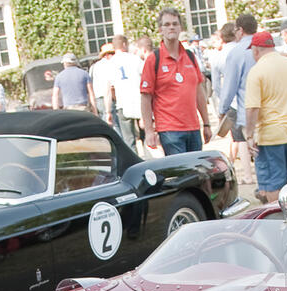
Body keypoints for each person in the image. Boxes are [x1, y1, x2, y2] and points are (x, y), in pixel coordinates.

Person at [244, 31, 287, 201]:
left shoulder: (256, 71)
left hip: (270, 135)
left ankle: (278, 219)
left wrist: (249, 135)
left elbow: (252, 108)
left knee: (273, 182)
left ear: (255, 50)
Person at [142, 8, 212, 155]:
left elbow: (199, 92)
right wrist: (149, 131)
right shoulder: (154, 59)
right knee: (181, 173)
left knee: (195, 173)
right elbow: (145, 97)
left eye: (175, 23)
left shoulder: (190, 56)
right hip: (169, 130)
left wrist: (206, 123)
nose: (171, 27)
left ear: (180, 27)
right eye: (167, 24)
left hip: (193, 127)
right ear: (160, 29)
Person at [219, 14, 259, 181]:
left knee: (255, 151)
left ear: (240, 30)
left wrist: (222, 109)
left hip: (248, 111)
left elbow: (229, 86)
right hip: (271, 110)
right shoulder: (266, 47)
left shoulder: (237, 52)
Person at [110, 35, 146, 151]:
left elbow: (110, 88)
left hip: (122, 103)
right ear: (125, 45)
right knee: (145, 135)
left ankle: (134, 164)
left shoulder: (111, 63)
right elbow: (146, 78)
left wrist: (110, 106)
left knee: (129, 139)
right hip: (139, 101)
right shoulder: (135, 59)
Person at [91, 44, 117, 123]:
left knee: (104, 122)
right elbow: (111, 86)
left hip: (98, 98)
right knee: (115, 123)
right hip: (109, 98)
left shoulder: (94, 66)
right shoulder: (110, 64)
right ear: (107, 55)